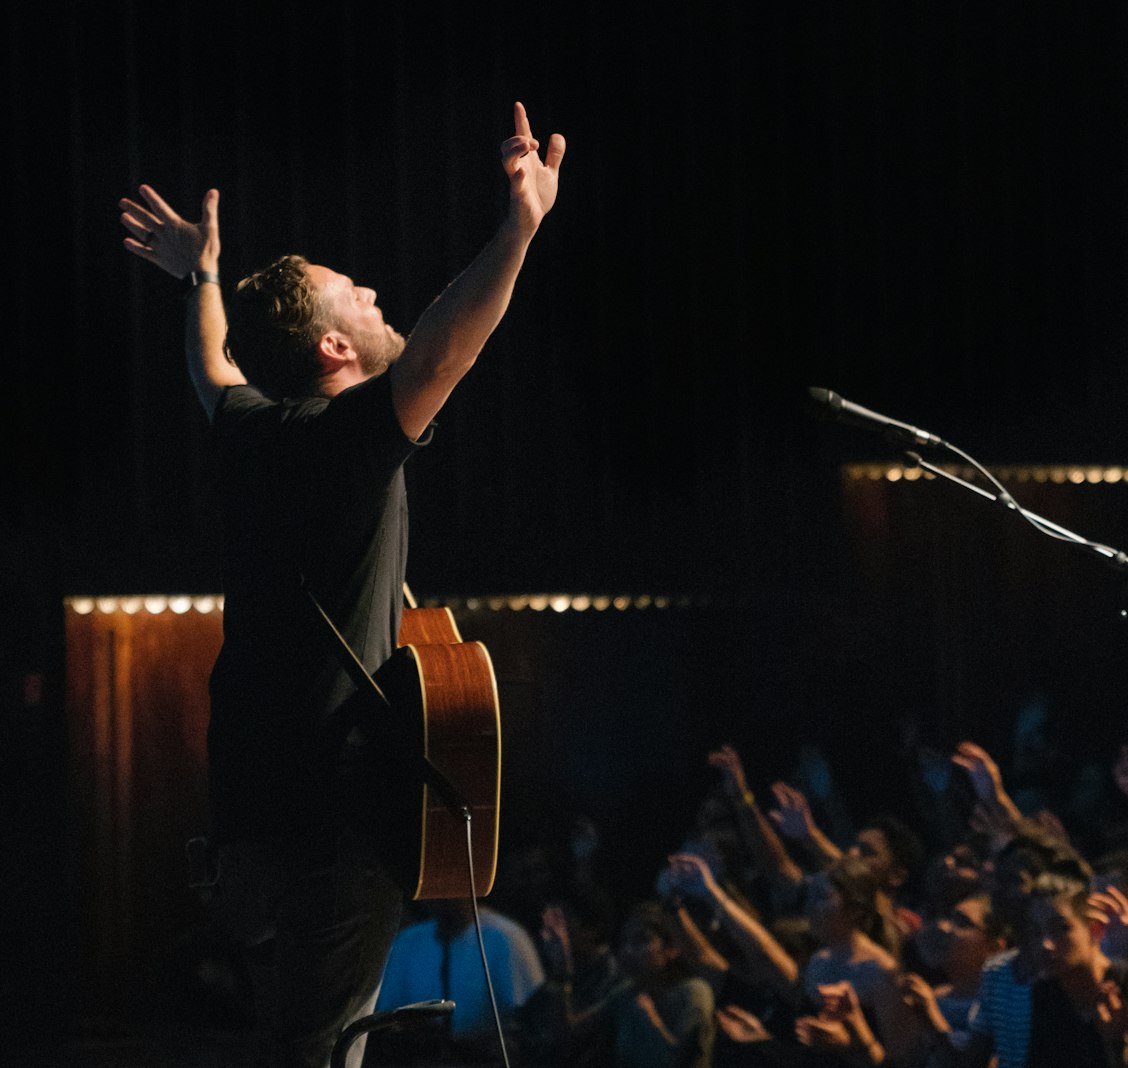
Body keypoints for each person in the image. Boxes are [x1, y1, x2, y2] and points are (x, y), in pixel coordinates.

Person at [117, 101, 565, 1068]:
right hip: (329, 824)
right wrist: (521, 226)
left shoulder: (250, 429)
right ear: (334, 351)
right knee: (316, 1052)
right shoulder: (345, 441)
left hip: (250, 820)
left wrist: (201, 278)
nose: (374, 294)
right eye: (355, 296)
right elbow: (446, 342)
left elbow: (209, 366)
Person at [371, 898, 546, 1063]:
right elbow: (385, 1022)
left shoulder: (504, 937)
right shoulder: (408, 941)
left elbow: (528, 1029)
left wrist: (459, 1046)